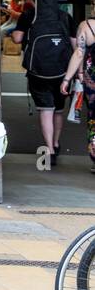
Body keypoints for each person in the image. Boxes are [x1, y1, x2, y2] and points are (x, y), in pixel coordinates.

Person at [11, 0, 76, 167]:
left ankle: (48, 149)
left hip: (37, 71)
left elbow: (18, 38)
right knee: (57, 110)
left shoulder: (29, 14)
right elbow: (75, 46)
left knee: (45, 110)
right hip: (62, 71)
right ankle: (56, 143)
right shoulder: (64, 16)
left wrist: (16, 28)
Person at [60, 13, 95, 174]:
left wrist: (67, 79)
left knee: (94, 119)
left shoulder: (86, 26)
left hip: (92, 82)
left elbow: (79, 53)